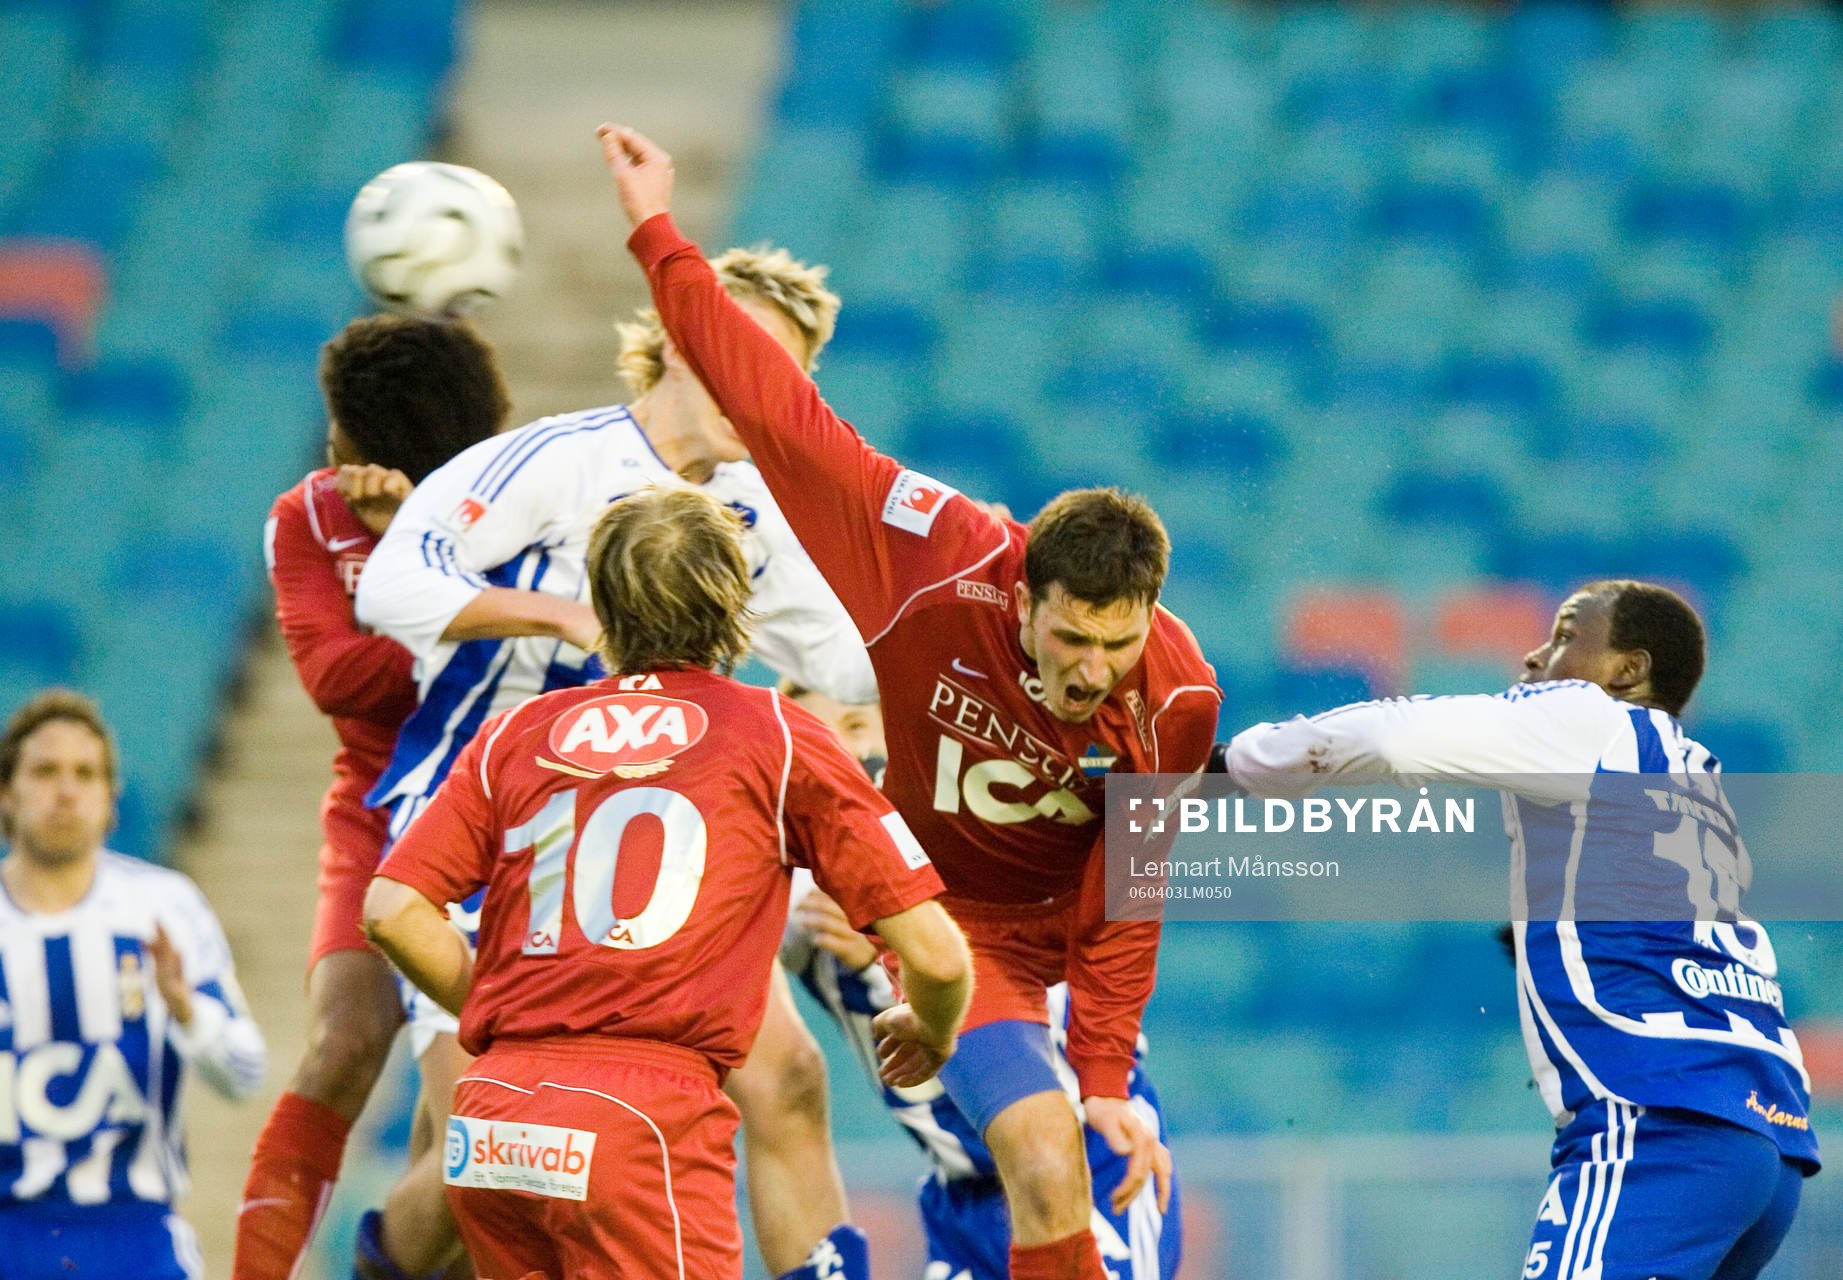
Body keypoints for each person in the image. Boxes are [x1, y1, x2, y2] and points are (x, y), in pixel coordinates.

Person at [604, 125, 1222, 1280]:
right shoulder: (934, 556)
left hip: (1055, 941)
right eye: (1070, 638)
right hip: (964, 936)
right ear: (1019, 586)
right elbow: (781, 413)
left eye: (1118, 643)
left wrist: (1100, 1074)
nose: (1093, 670)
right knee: (1036, 1152)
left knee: (1067, 1146)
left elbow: (1127, 905)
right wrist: (656, 234)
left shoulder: (1178, 694)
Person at [352, 247, 885, 1280]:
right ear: (684, 344)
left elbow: (852, 660)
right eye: (754, 356)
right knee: (487, 1138)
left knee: (785, 1075)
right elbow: (393, 584)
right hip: (479, 829)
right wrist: (560, 609)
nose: (777, 392)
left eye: (795, 374)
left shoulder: (753, 514)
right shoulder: (557, 461)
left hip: (631, 850)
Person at [361, 486, 972, 1279]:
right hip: (642, 1122)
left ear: (603, 610)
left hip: (497, 1118)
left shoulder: (513, 734)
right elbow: (939, 959)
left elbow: (392, 909)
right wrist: (933, 1027)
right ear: (733, 605)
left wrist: (507, 1011)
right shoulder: (778, 736)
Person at [1220, 580, 1818, 1280]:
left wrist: (1232, 763)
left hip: (1657, 1124)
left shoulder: (1588, 718)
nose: (1535, 657)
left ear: (1627, 670)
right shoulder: (1696, 778)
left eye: (1566, 634)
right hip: (1766, 1144)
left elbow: (1391, 734)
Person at [236, 315, 511, 1280]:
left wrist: (415, 565)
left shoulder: (513, 503)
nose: (329, 447)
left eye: (343, 427)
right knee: (344, 1042)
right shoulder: (306, 516)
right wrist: (454, 619)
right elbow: (336, 679)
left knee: (473, 1130)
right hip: (375, 813)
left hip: (495, 823)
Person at [779, 684, 1181, 1280]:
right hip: (964, 1197)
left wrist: (888, 958)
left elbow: (1025, 1067)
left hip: (1083, 1161)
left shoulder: (968, 843)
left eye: (861, 727)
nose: (851, 754)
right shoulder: (798, 900)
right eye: (826, 740)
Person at [0, 689, 267, 1278]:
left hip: (134, 1235)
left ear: (110, 801)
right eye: (44, 771)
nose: (66, 790)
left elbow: (245, 1073)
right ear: (7, 795)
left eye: (85, 774)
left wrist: (187, 1011)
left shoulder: (163, 908)